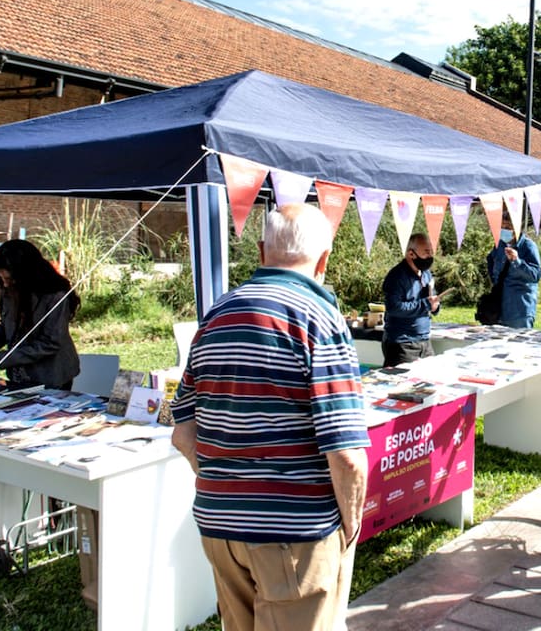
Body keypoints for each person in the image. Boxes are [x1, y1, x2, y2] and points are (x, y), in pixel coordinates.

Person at [170, 204, 369, 631]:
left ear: (261, 251)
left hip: (220, 527)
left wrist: (228, 486)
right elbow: (347, 455)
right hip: (294, 530)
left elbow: (183, 434)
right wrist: (351, 524)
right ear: (324, 259)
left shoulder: (216, 316)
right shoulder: (320, 320)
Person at [0, 239, 81, 390]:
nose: (4, 284)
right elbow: (7, 328)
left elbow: (50, 342)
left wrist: (1, 358)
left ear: (26, 274)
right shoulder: (10, 291)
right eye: (1, 278)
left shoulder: (55, 296)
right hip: (19, 375)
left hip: (51, 376)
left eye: (9, 279)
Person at [381, 232, 441, 367]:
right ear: (411, 253)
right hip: (402, 344)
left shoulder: (426, 273)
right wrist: (426, 304)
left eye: (431, 252)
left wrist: (435, 305)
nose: (430, 256)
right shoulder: (396, 276)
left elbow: (431, 298)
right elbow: (394, 307)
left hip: (424, 341)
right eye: (426, 252)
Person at [486, 212, 541, 329]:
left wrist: (517, 261)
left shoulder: (528, 246)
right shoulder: (499, 245)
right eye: (501, 227)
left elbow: (535, 275)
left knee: (519, 346)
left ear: (516, 228)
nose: (503, 230)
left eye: (507, 227)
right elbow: (491, 263)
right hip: (499, 309)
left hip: (520, 310)